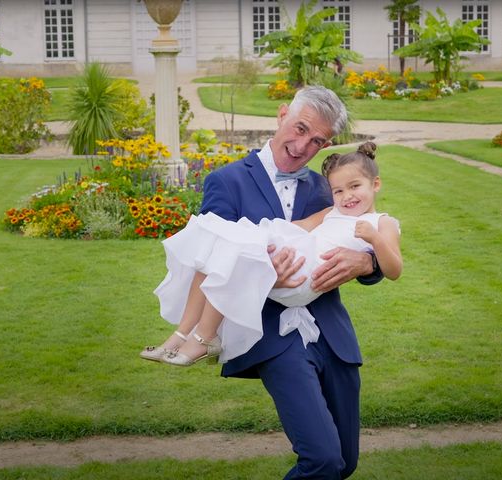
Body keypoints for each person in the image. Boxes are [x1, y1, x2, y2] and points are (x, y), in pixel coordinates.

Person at [149, 86, 387, 479]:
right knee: (323, 460)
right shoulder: (227, 182)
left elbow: (368, 233)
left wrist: (365, 261)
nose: (303, 146)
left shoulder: (329, 186)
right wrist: (261, 270)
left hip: (333, 333)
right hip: (273, 336)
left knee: (345, 463)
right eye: (300, 129)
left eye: (318, 141)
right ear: (281, 115)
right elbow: (210, 256)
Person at [141, 141, 402, 366]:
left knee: (231, 251)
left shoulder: (382, 223)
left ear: (375, 184)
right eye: (338, 191)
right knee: (218, 243)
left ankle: (204, 338)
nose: (347, 196)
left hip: (304, 276)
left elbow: (394, 270)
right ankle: (182, 333)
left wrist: (374, 239)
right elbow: (301, 226)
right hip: (293, 257)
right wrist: (255, 236)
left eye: (355, 186)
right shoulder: (333, 212)